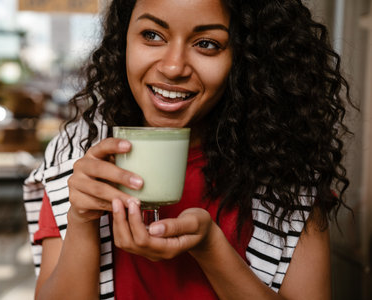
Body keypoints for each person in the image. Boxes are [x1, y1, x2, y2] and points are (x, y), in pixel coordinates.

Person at [23, 0, 353, 299]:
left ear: (246, 56)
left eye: (206, 44)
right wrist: (81, 220)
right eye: (152, 35)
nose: (173, 67)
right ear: (123, 40)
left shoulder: (287, 170)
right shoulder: (77, 155)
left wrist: (211, 249)